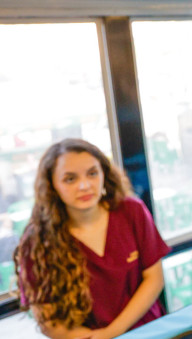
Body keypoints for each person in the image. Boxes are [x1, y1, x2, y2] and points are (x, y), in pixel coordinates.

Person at [13, 139, 170, 339]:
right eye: (70, 179)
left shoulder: (132, 211)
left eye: (92, 173)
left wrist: (113, 333)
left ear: (104, 174)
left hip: (150, 331)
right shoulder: (36, 241)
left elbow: (154, 279)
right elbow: (48, 321)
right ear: (52, 185)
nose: (85, 185)